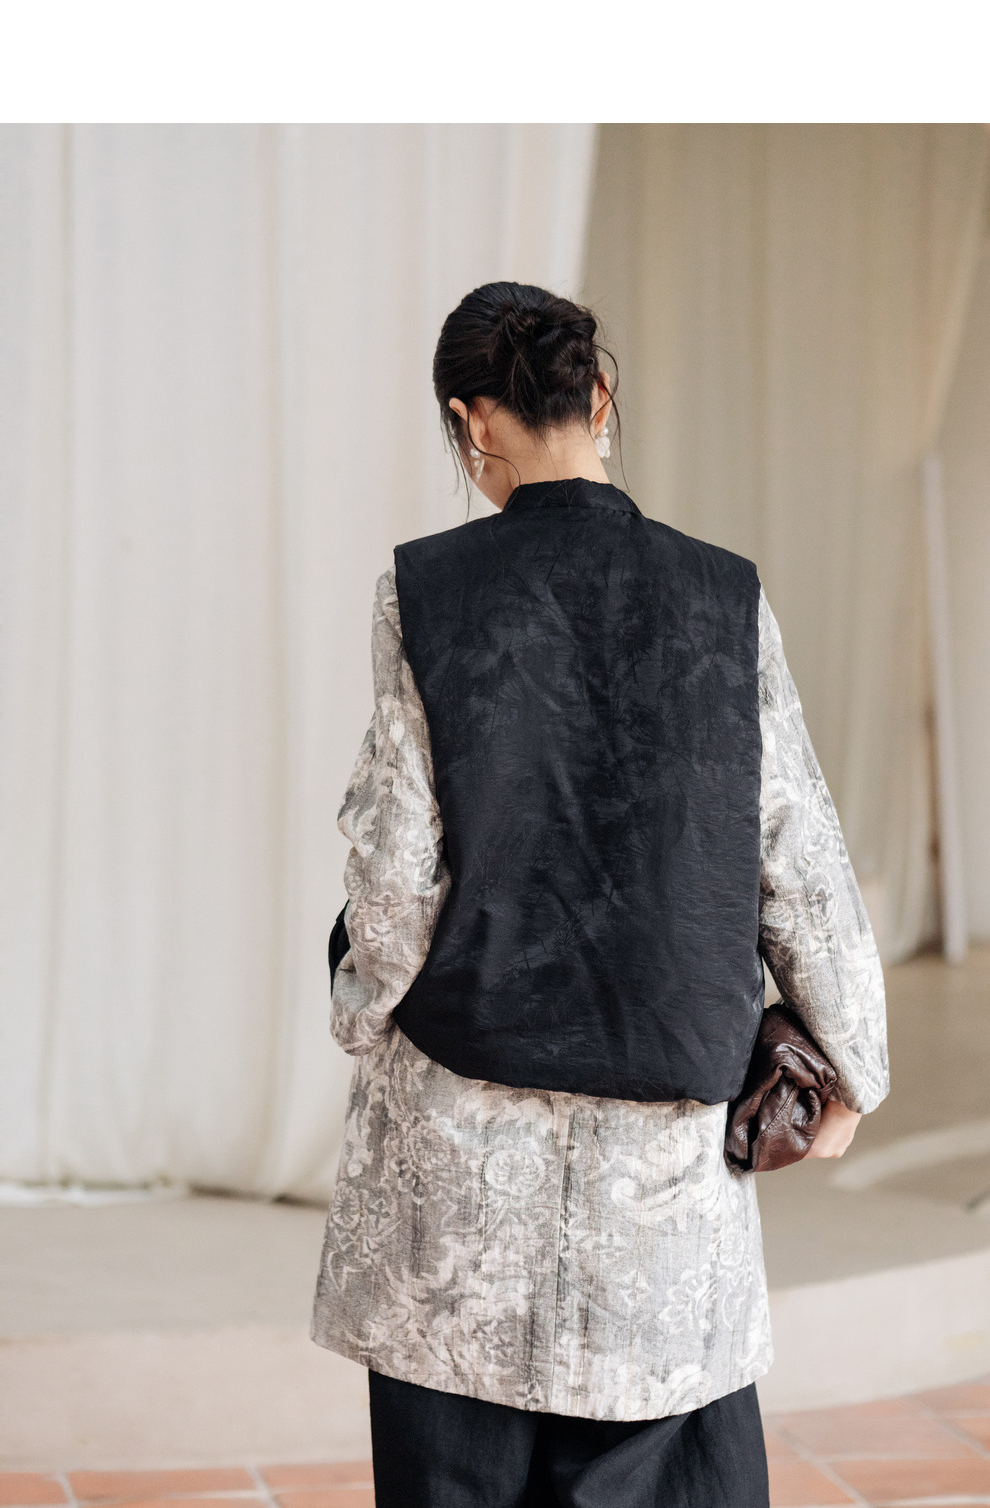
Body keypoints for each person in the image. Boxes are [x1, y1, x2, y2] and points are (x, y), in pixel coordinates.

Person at [311, 282, 889, 1507]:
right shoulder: (722, 594)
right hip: (657, 1178)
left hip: (459, 1164)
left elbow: (397, 873)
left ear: (470, 420)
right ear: (602, 395)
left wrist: (361, 1001)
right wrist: (852, 1065)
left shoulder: (427, 592)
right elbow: (797, 848)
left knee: (454, 1464)